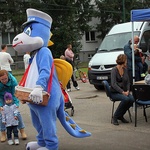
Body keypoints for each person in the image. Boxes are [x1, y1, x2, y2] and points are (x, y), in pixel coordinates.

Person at [0, 70, 27, 142]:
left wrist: (16, 104)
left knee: (16, 113)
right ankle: (3, 133)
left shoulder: (13, 81)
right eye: (2, 79)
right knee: (1, 114)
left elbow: (15, 93)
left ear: (8, 76)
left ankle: (22, 130)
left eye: (5, 79)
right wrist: (0, 106)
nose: (4, 81)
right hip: (1, 97)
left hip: (11, 95)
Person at [110, 54, 134, 125]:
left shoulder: (125, 70)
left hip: (124, 91)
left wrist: (128, 91)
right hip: (115, 92)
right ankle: (115, 116)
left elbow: (128, 82)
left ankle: (121, 115)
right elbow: (113, 84)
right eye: (126, 60)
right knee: (126, 99)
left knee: (132, 99)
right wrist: (122, 92)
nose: (126, 62)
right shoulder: (114, 70)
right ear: (123, 61)